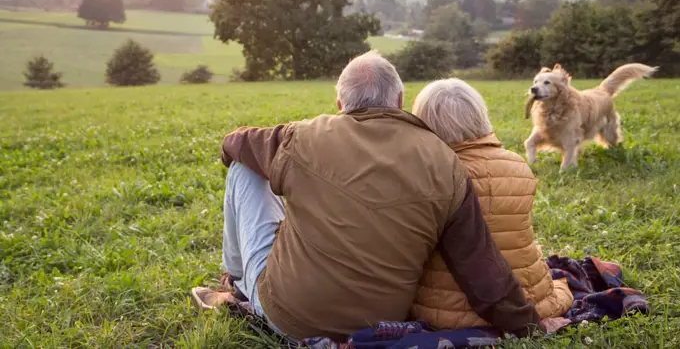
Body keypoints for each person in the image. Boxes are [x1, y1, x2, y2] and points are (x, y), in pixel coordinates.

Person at [192, 52, 543, 341]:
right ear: (401, 101)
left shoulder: (302, 137)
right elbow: (481, 268)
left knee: (243, 168)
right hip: (378, 325)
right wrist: (530, 325)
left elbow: (233, 142)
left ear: (341, 103)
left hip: (289, 315)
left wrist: (237, 156)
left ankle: (236, 279)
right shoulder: (446, 162)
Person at [410, 78, 574, 329]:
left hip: (440, 309)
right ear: (479, 115)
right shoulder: (517, 165)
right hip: (530, 300)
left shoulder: (427, 174)